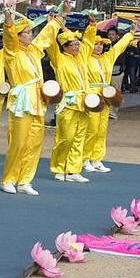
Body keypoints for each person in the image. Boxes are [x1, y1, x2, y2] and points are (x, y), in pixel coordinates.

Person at [0, 3, 62, 195]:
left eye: (30, 32)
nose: (31, 35)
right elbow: (8, 39)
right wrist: (8, 18)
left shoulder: (34, 50)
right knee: (18, 142)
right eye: (26, 32)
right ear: (18, 36)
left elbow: (46, 35)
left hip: (37, 101)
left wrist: (61, 15)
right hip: (22, 102)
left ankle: (25, 180)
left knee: (35, 142)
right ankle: (8, 179)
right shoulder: (12, 53)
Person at [48, 18, 96, 182]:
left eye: (77, 44)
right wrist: (55, 25)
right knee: (65, 137)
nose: (77, 47)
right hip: (67, 103)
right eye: (74, 45)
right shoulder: (59, 59)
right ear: (65, 47)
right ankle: (59, 167)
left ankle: (73, 170)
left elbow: (89, 41)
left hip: (84, 103)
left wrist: (92, 26)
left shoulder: (81, 58)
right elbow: (50, 44)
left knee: (78, 137)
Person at [83, 26, 134, 172]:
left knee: (101, 129)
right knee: (91, 129)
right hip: (92, 94)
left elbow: (119, 47)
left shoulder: (107, 58)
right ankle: (85, 159)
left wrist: (130, 34)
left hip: (105, 94)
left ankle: (97, 159)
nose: (99, 47)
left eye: (100, 44)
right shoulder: (84, 59)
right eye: (96, 44)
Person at [106, 28, 126, 119]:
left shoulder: (120, 45)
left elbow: (122, 59)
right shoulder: (105, 44)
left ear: (117, 35)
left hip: (117, 71)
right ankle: (107, 112)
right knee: (106, 92)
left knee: (115, 93)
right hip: (106, 72)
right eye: (109, 34)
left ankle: (113, 113)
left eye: (113, 34)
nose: (111, 36)